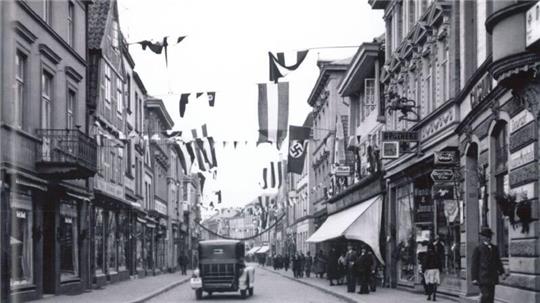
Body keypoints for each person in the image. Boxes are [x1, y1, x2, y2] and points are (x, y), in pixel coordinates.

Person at [472, 227, 507, 303]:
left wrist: (502, 272)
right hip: (483, 277)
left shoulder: (494, 248)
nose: (488, 238)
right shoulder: (478, 248)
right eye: (487, 236)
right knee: (485, 296)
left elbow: (498, 262)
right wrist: (474, 278)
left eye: (489, 236)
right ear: (483, 237)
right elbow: (474, 264)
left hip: (492, 277)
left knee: (491, 297)